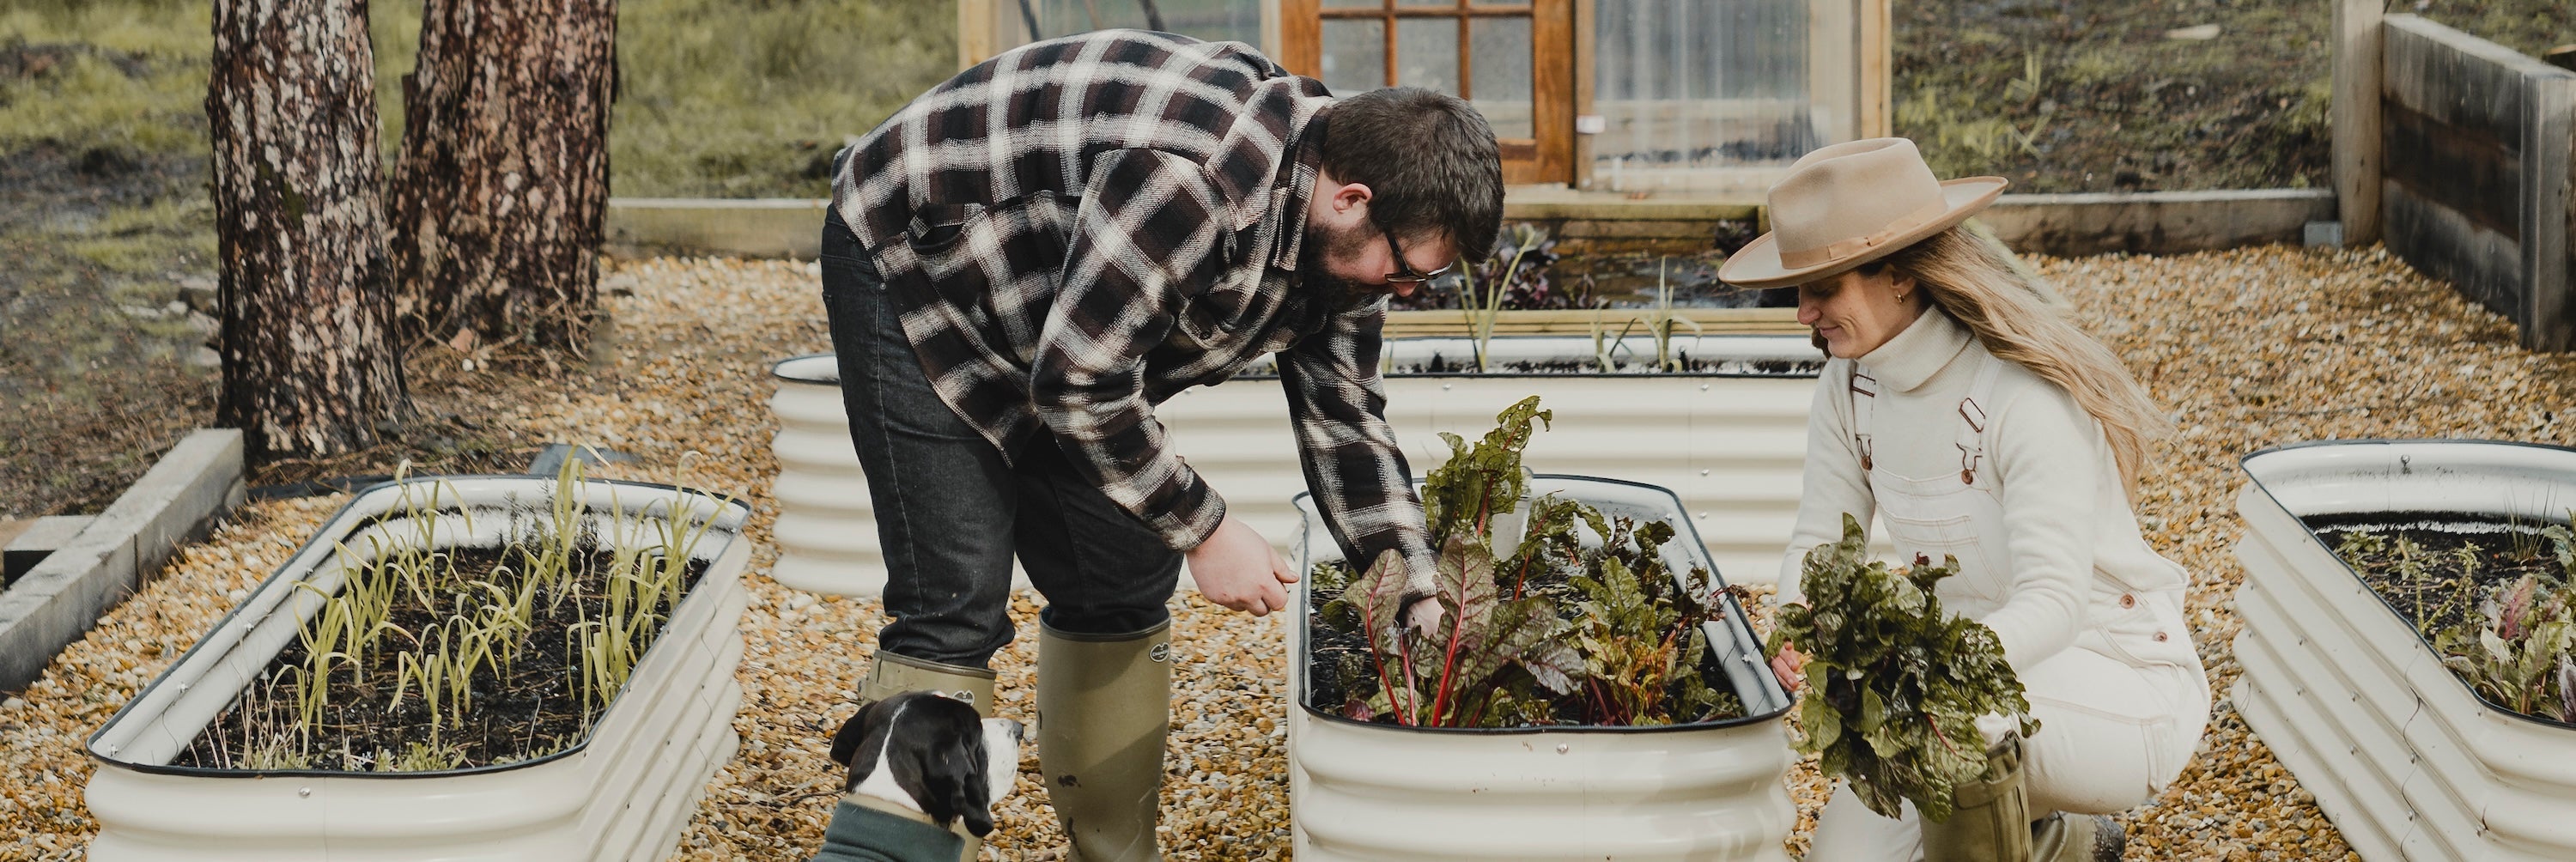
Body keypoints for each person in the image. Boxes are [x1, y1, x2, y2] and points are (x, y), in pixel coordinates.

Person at [817, 28, 1498, 861]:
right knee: (954, 601)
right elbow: (1078, 385)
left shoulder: (1338, 239)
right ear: (1353, 198)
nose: (1401, 292)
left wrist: (1416, 592)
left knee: (1123, 571)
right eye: (1403, 273)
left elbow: (1347, 420)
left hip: (1062, 321)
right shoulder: (1196, 178)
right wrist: (1210, 531)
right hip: (923, 273)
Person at [1718, 138, 2209, 862]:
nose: (1804, 313)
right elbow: (1820, 537)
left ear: (1900, 277)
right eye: (1800, 289)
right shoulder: (1849, 389)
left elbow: (2055, 602)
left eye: (1825, 287)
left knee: (1959, 725)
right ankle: (2067, 846)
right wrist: (1798, 622)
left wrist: (1921, 674)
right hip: (1959, 692)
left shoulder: (2021, 397)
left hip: (2117, 685)